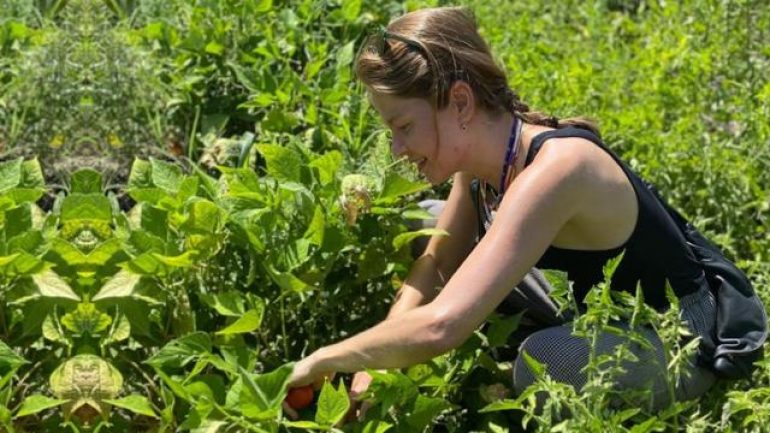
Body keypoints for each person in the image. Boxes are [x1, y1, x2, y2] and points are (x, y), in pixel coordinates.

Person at [286, 6, 764, 419]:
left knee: (543, 361)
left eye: (404, 126)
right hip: (591, 303)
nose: (397, 148)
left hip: (672, 333)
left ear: (459, 102)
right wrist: (375, 359)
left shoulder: (559, 169)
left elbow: (441, 325)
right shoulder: (482, 162)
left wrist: (326, 359)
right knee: (429, 221)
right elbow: (436, 262)